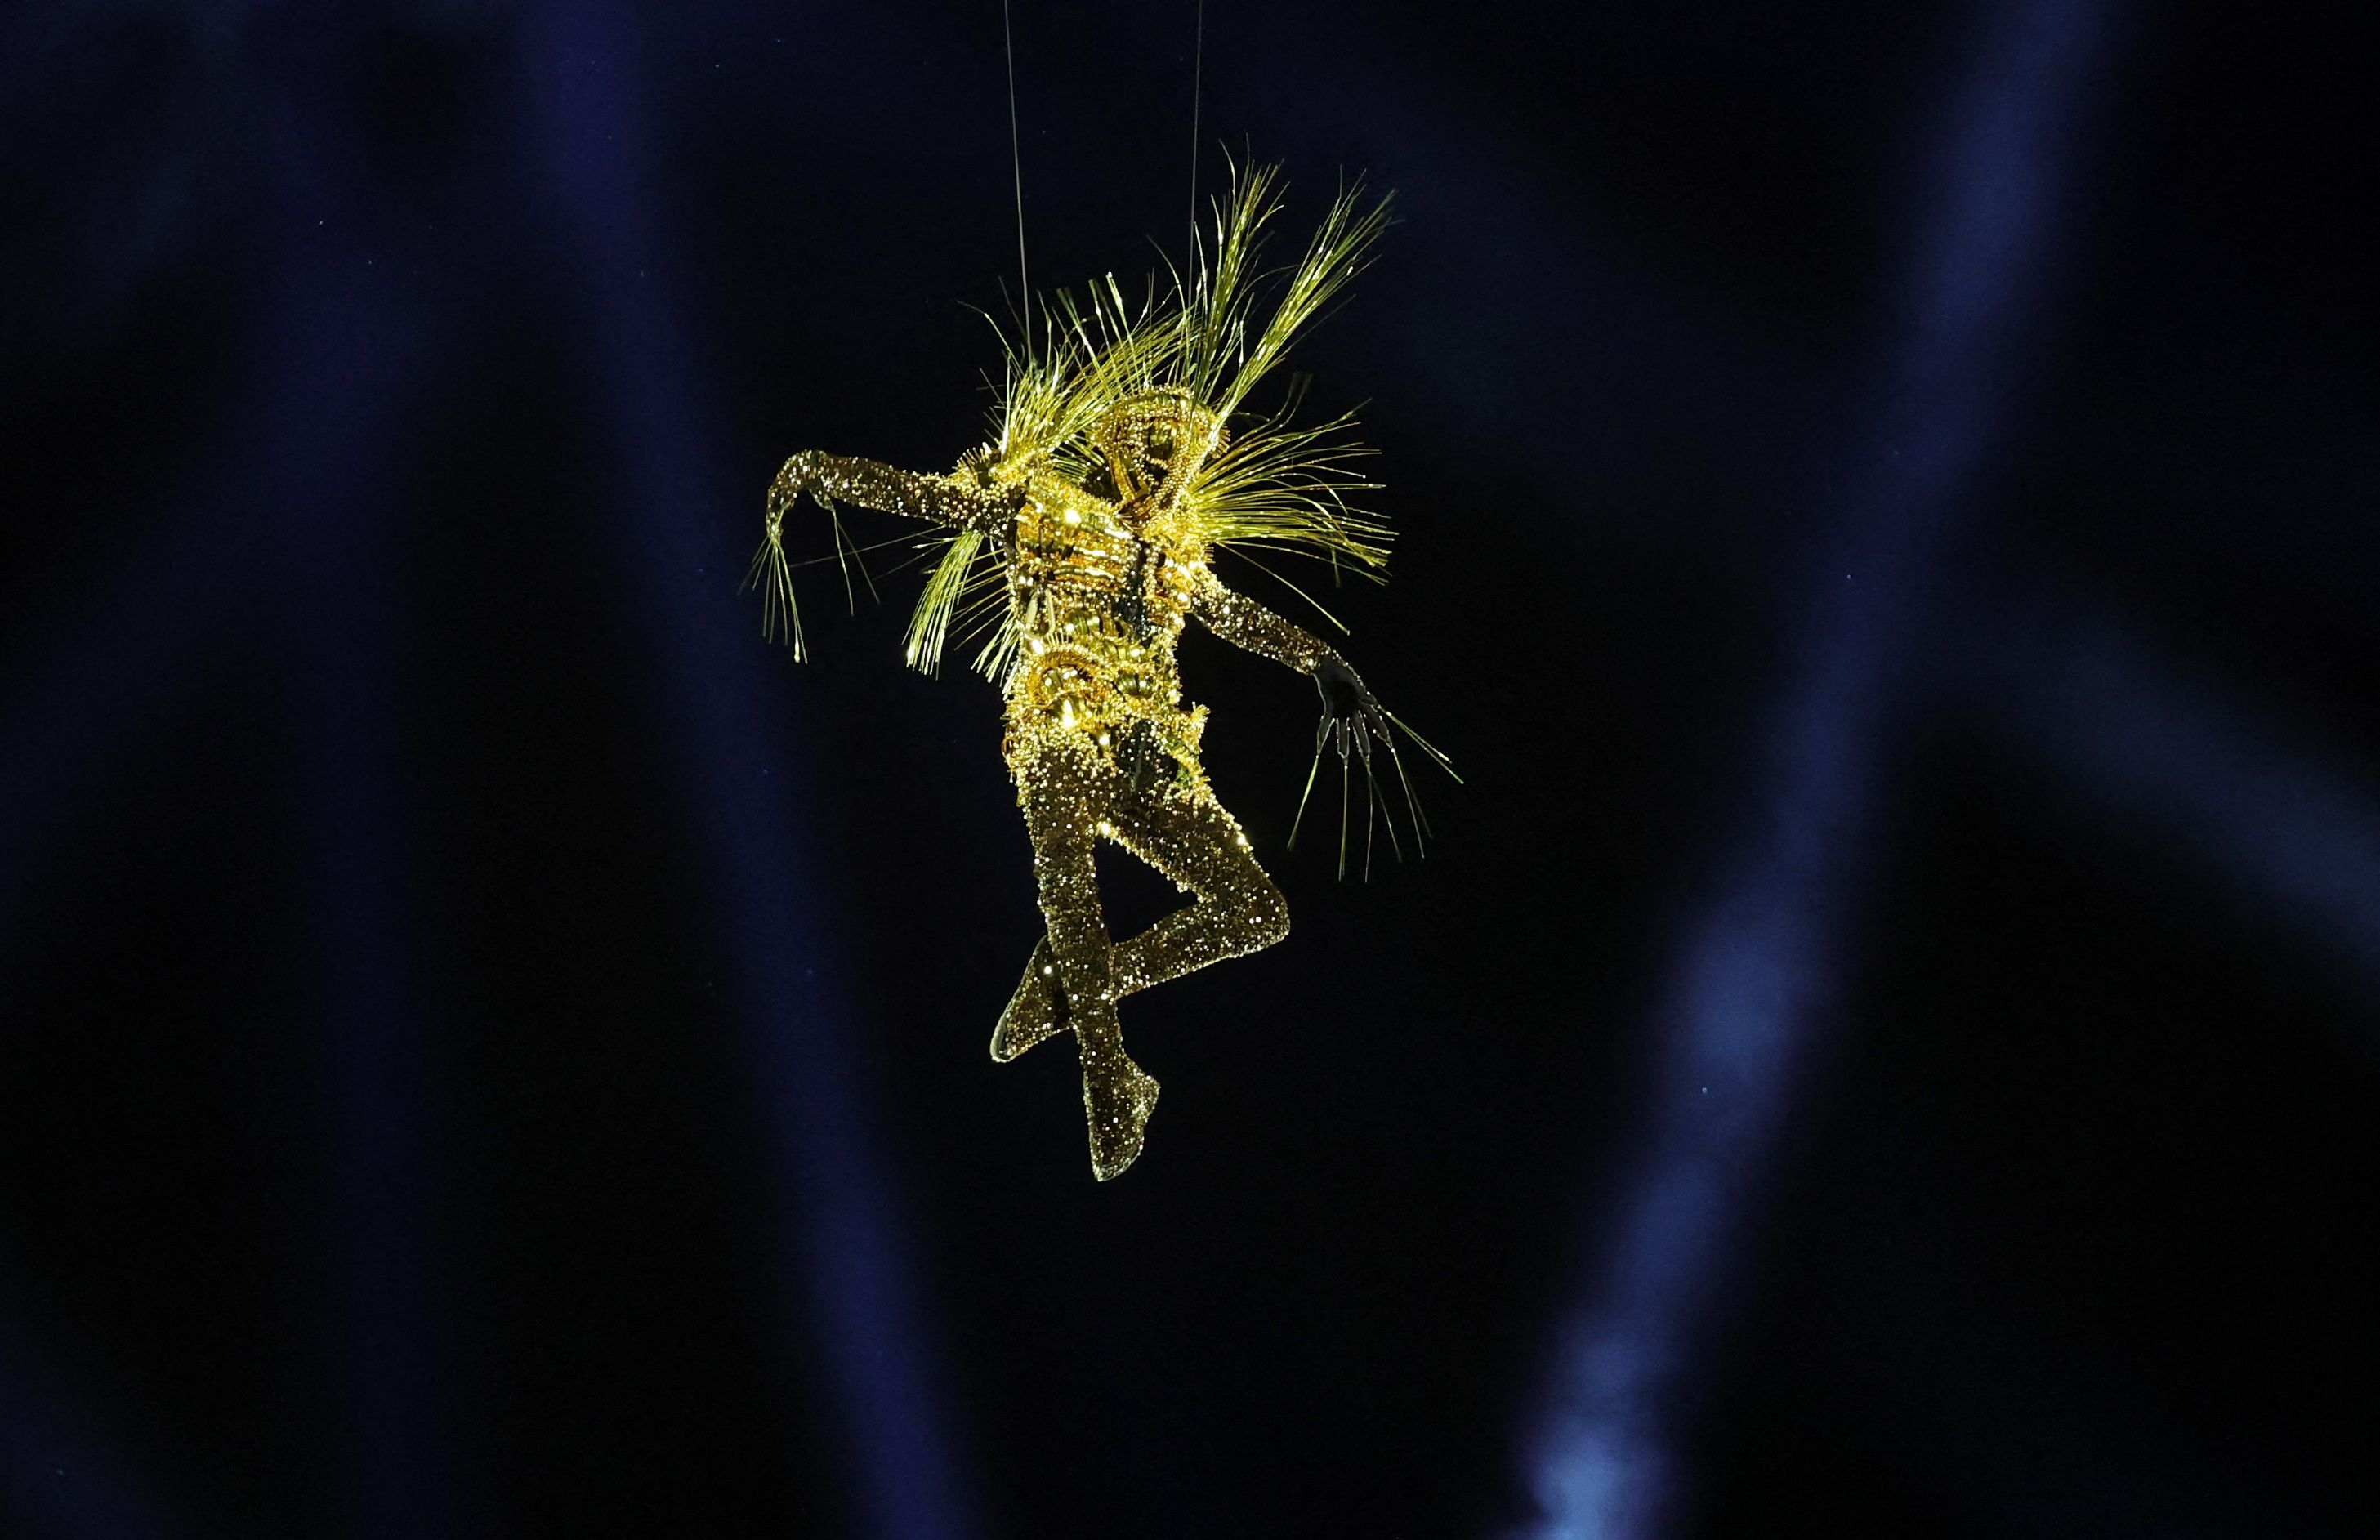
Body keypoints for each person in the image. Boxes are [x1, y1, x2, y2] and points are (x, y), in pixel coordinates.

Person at [755, 167, 1440, 1179]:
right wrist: (827, 472)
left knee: (1256, 911)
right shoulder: (1045, 510)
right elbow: (941, 503)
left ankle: (1081, 990)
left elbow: (1235, 616)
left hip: (1158, 750)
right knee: (1068, 887)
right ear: (1121, 455)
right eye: (1151, 451)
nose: (1167, 470)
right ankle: (1110, 1075)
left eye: (1180, 458)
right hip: (1059, 727)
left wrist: (1324, 664)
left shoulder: (1180, 558)